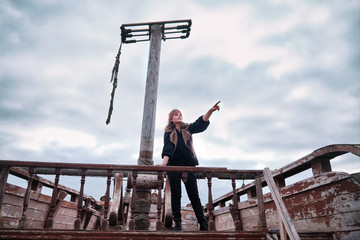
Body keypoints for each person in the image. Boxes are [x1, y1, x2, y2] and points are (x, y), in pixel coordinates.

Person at [157, 101, 221, 231]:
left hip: (189, 165)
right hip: (174, 166)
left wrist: (210, 111)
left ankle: (203, 224)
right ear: (171, 119)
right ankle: (178, 224)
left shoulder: (188, 128)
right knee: (176, 194)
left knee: (194, 195)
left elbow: (200, 123)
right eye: (176, 114)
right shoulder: (168, 133)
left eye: (180, 114)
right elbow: (168, 149)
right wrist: (164, 163)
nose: (179, 115)